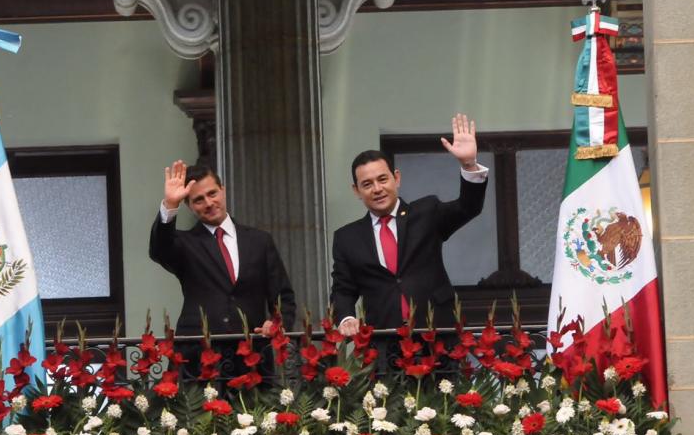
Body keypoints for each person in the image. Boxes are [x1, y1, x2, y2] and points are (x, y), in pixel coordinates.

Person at [331, 113, 488, 343]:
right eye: (367, 184)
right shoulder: (347, 238)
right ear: (356, 191)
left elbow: (469, 207)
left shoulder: (426, 212)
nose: (377, 189)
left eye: (382, 179)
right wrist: (346, 319)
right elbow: (342, 290)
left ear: (396, 178)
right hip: (384, 343)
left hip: (438, 337)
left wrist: (468, 164)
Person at [149, 160, 296, 378]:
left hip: (252, 357)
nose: (208, 203)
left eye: (212, 193)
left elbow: (283, 296)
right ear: (189, 205)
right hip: (199, 358)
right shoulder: (185, 243)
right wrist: (170, 205)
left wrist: (276, 323)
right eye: (198, 200)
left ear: (223, 191)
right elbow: (159, 250)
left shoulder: (259, 241)